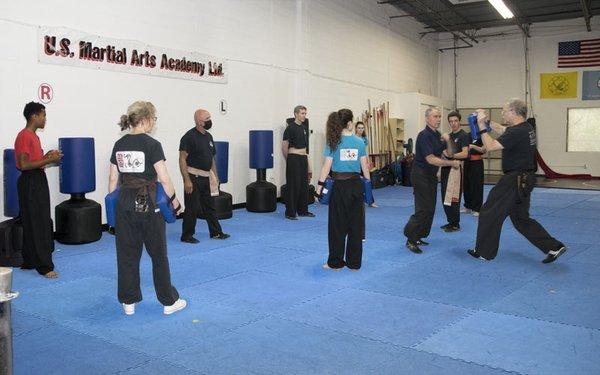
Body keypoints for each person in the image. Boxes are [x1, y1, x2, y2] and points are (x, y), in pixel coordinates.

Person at [108, 101, 186, 315]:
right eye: (154, 118)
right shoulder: (152, 145)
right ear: (145, 119)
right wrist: (175, 202)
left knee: (126, 254)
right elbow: (164, 177)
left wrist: (113, 208)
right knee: (158, 254)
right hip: (147, 202)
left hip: (124, 201)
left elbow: (113, 180)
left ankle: (128, 302)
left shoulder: (119, 144)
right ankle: (168, 302)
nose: (154, 122)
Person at [467, 98, 566, 263]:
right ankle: (554, 246)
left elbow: (490, 147)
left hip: (514, 179)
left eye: (504, 111)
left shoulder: (517, 132)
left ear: (513, 111)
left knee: (488, 211)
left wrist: (482, 126)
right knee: (521, 219)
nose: (503, 114)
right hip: (526, 179)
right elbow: (502, 130)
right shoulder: (526, 128)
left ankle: (485, 252)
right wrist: (487, 121)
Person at [316, 109, 370, 270]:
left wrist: (319, 187)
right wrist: (369, 187)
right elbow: (365, 167)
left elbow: (327, 167)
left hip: (339, 186)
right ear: (349, 123)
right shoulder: (360, 142)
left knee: (337, 226)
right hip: (356, 185)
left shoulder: (333, 141)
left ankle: (336, 263)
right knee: (355, 225)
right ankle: (354, 263)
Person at [14, 102, 61, 278]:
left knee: (33, 220)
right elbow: (25, 165)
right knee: (39, 222)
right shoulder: (24, 136)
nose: (45, 119)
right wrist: (48, 160)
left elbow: (34, 160)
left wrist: (48, 156)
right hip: (31, 180)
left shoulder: (33, 136)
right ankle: (44, 266)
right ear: (34, 116)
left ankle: (30, 260)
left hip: (35, 179)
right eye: (43, 115)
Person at [403, 107, 460, 254]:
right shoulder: (424, 135)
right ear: (427, 118)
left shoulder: (437, 135)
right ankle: (410, 238)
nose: (439, 119)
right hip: (420, 174)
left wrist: (448, 140)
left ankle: (419, 236)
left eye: (440, 116)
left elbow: (450, 153)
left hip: (431, 176)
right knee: (423, 208)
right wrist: (450, 163)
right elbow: (431, 159)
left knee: (430, 208)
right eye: (435, 116)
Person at [179, 109, 230, 243]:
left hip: (206, 177)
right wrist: (186, 180)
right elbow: (182, 159)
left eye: (209, 118)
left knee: (210, 206)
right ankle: (187, 235)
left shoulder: (208, 136)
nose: (209, 121)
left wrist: (215, 176)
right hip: (193, 177)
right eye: (207, 119)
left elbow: (211, 159)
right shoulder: (188, 137)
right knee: (192, 207)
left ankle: (216, 233)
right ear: (199, 122)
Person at [439, 111, 470, 232]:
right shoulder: (448, 136)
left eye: (455, 121)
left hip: (456, 169)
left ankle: (455, 223)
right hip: (445, 168)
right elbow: (443, 152)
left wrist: (451, 156)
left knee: (453, 197)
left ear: (459, 121)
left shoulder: (463, 135)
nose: (453, 123)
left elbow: (465, 153)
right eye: (451, 121)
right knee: (444, 196)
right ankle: (450, 221)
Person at [282, 105, 314, 220]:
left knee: (303, 185)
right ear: (296, 114)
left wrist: (309, 167)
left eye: (305, 113)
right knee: (293, 186)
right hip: (293, 158)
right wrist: (289, 159)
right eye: (302, 113)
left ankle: (303, 211)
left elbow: (306, 150)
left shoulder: (305, 128)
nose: (304, 115)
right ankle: (290, 212)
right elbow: (284, 146)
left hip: (303, 158)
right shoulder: (290, 128)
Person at [463, 130, 486, 217]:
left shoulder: (483, 135)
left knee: (477, 185)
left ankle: (477, 208)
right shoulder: (466, 135)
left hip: (477, 162)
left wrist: (473, 146)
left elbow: (484, 150)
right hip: (467, 162)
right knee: (466, 185)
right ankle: (468, 206)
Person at [355, 121, 378, 209]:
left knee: (368, 181)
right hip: (355, 164)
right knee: (357, 182)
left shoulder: (364, 139)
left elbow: (366, 152)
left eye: (362, 128)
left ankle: (371, 202)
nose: (361, 130)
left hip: (363, 162)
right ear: (356, 129)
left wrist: (368, 162)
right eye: (359, 128)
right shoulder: (353, 138)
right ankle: (358, 200)